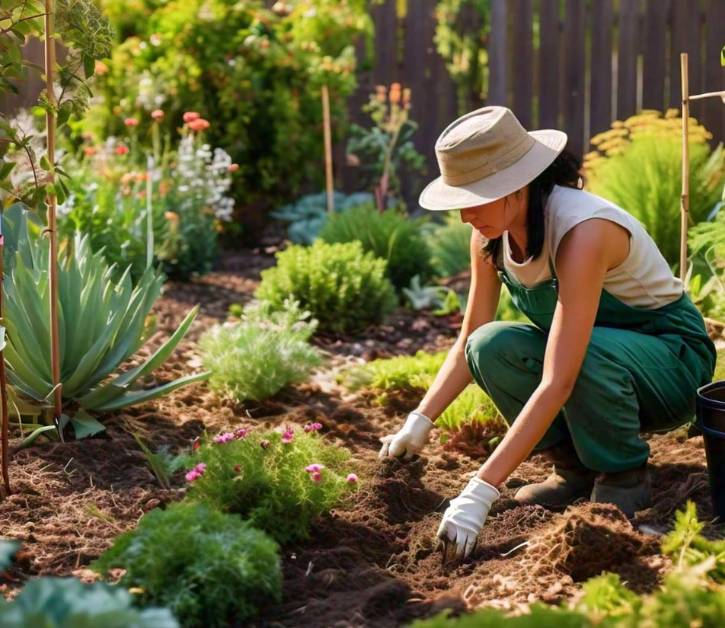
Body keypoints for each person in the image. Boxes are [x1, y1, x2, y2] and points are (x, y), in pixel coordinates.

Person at [378, 106, 716, 561]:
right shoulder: (489, 235)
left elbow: (561, 375)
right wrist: (419, 420)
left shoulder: (584, 231)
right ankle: (574, 470)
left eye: (473, 198)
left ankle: (623, 478)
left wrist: (480, 490)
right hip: (599, 359)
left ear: (514, 187)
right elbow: (469, 340)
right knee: (491, 346)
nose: (464, 217)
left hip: (671, 363)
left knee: (585, 352)